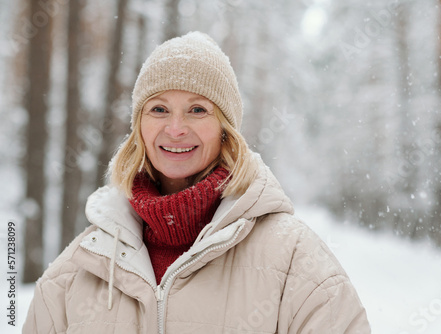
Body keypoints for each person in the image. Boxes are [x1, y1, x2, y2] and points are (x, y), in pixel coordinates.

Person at [23, 31, 370, 333]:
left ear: (225, 130)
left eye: (198, 110)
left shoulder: (294, 259)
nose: (175, 129)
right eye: (158, 109)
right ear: (139, 128)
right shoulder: (79, 267)